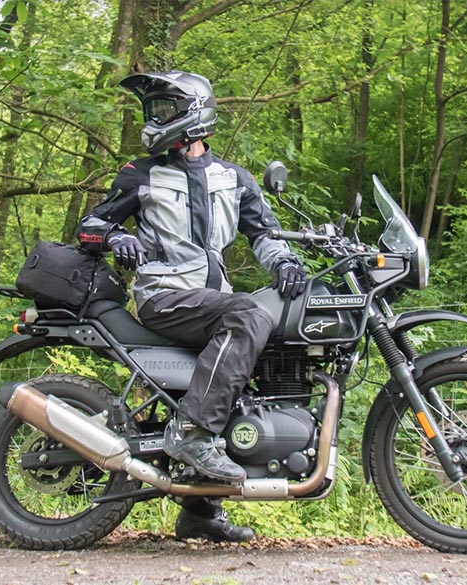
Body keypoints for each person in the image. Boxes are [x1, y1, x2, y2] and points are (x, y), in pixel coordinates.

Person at [76, 71, 307, 542]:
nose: (155, 118)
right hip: (164, 297)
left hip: (209, 300)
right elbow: (89, 226)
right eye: (153, 110)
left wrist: (284, 261)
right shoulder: (139, 174)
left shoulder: (234, 178)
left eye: (164, 109)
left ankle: (200, 512)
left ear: (196, 113)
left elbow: (264, 234)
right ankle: (193, 434)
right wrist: (115, 236)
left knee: (255, 352)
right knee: (248, 314)